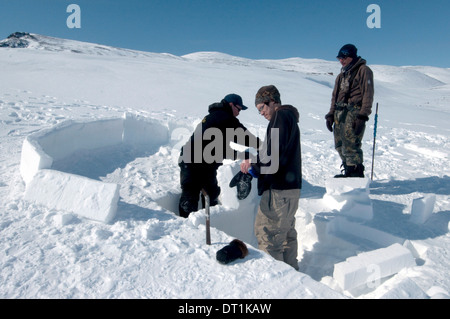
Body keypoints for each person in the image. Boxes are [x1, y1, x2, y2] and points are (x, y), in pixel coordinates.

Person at [240, 85, 302, 270]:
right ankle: (293, 277)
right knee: (286, 237)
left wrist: (254, 166)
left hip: (279, 192)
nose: (261, 113)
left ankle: (275, 285)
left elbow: (273, 155)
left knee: (268, 236)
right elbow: (275, 153)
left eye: (262, 108)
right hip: (289, 190)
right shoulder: (288, 118)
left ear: (273, 101)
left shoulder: (280, 117)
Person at [178, 94, 259, 218]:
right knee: (190, 197)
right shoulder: (223, 117)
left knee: (211, 194)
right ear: (231, 105)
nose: (239, 113)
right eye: (239, 109)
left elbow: (224, 150)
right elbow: (242, 134)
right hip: (191, 162)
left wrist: (244, 154)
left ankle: (209, 225)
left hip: (205, 164)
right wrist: (262, 145)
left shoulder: (218, 119)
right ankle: (186, 230)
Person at [325, 44, 374, 177]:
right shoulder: (341, 76)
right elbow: (334, 97)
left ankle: (355, 173)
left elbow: (368, 94)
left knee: (351, 144)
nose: (341, 60)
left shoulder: (364, 70)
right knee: (339, 144)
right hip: (339, 114)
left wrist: (362, 116)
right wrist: (330, 114)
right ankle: (348, 170)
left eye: (344, 57)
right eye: (339, 58)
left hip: (354, 112)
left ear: (352, 56)